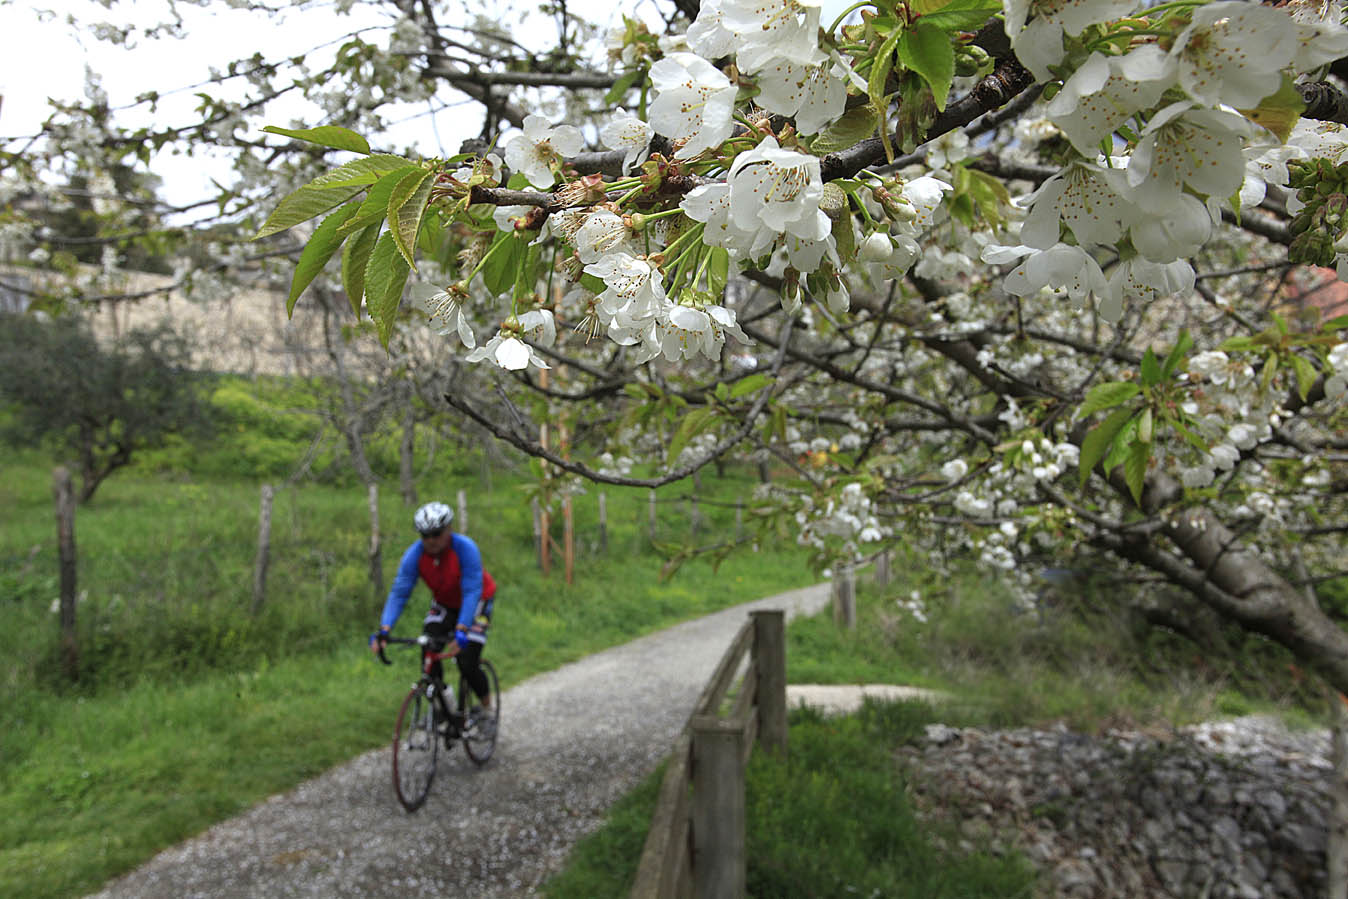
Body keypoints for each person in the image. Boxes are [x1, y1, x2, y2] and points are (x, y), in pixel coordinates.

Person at [370, 501, 496, 728]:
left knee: (467, 661)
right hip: (445, 603)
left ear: (449, 529)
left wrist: (462, 628)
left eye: (436, 534)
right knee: (428, 648)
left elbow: (471, 590)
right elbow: (399, 593)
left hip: (477, 601)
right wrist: (385, 628)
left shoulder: (465, 548)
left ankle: (487, 710)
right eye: (425, 535)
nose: (431, 540)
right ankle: (443, 705)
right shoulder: (414, 555)